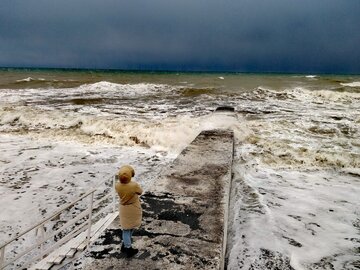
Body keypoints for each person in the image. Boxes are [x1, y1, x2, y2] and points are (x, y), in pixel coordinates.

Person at [115, 165, 143, 258]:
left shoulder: (117, 185)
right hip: (133, 208)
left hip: (123, 208)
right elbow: (140, 191)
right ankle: (128, 248)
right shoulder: (134, 185)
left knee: (126, 228)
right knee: (130, 228)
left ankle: (125, 243)